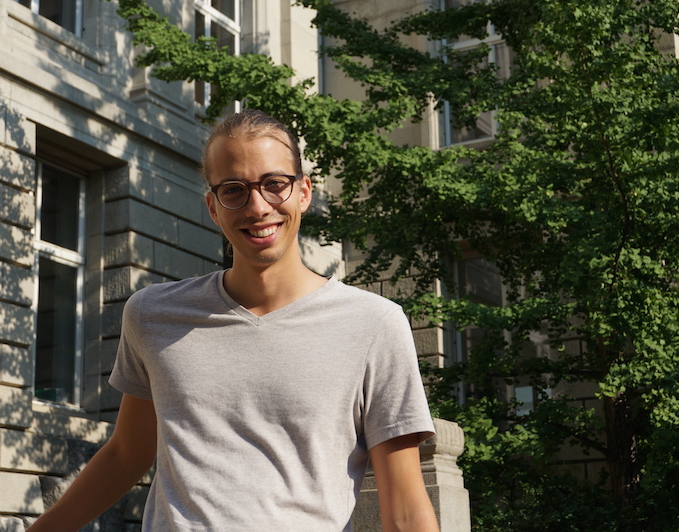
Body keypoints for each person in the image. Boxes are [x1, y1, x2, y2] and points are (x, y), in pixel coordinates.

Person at [27, 109, 439, 531]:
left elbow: (405, 506)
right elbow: (125, 455)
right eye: (234, 190)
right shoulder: (151, 315)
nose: (257, 207)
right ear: (213, 207)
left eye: (274, 184)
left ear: (304, 192)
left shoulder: (373, 324)